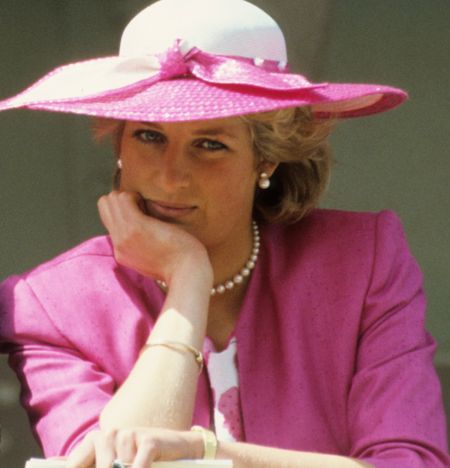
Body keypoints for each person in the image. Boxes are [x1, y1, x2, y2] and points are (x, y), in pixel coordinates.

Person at [0, 0, 448, 467]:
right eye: (149, 137)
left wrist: (211, 453)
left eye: (210, 145)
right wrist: (187, 276)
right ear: (119, 143)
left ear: (267, 158)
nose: (170, 177)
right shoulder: (49, 304)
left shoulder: (362, 262)